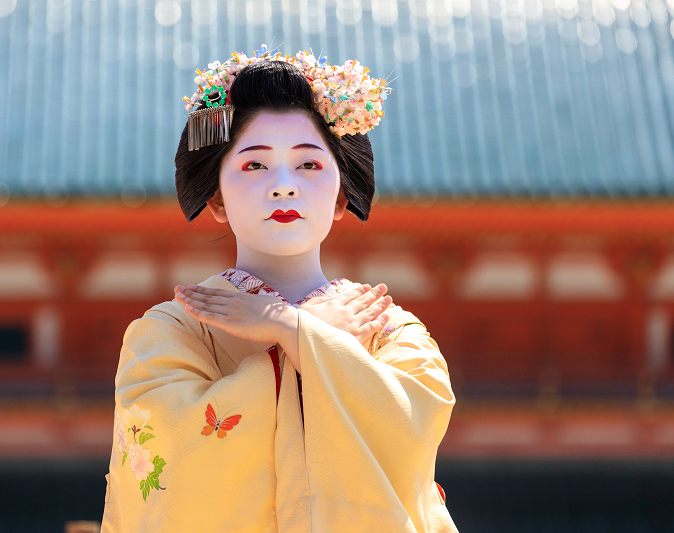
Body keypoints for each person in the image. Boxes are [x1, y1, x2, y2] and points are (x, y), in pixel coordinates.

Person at [100, 47, 458, 533]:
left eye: (309, 165)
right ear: (217, 200)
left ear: (340, 199)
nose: (284, 186)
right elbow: (175, 459)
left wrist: (288, 326)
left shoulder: (389, 329)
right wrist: (316, 340)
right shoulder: (171, 331)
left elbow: (410, 434)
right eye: (254, 166)